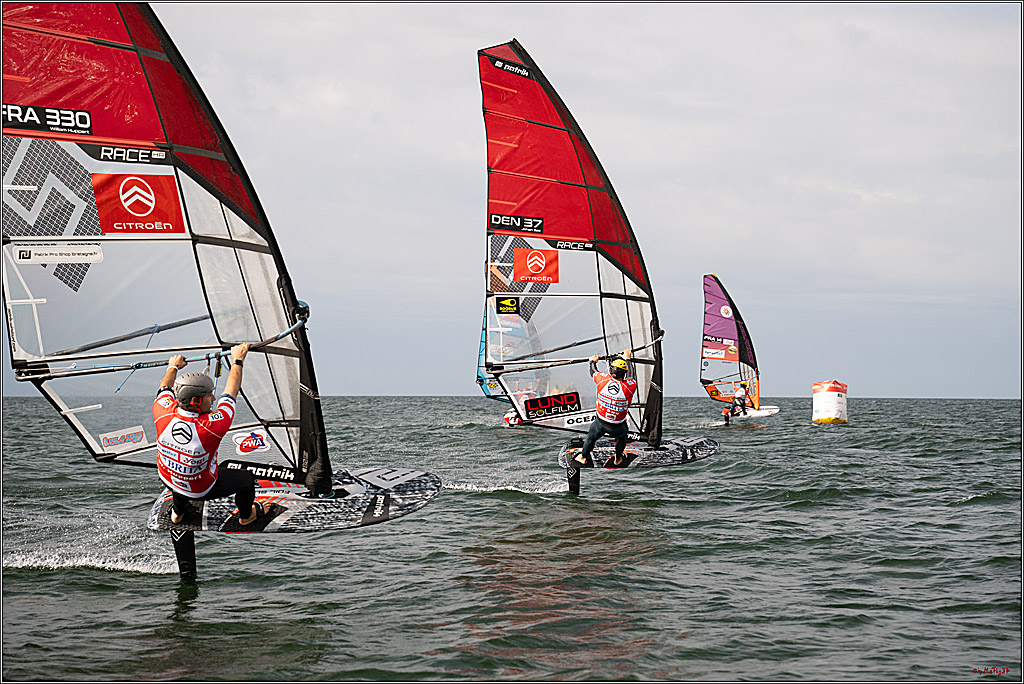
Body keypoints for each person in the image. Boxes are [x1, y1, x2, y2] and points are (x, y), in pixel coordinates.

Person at [153, 343, 263, 526]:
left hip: (167, 478)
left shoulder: (161, 410)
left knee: (180, 477)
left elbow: (164, 386)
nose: (213, 399)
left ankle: (177, 514)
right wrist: (238, 360)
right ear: (196, 400)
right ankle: (246, 516)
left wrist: (172, 366)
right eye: (210, 395)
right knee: (246, 479)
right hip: (202, 489)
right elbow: (231, 392)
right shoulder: (213, 426)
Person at [575, 349, 637, 467]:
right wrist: (627, 358)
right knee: (622, 438)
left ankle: (583, 457)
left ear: (610, 371)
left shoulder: (602, 380)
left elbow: (593, 371)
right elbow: (631, 376)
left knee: (591, 438)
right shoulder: (630, 387)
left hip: (600, 424)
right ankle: (618, 458)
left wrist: (592, 361)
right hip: (617, 427)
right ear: (624, 373)